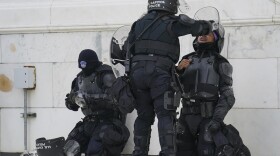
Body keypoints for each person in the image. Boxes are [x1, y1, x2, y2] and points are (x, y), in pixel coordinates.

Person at [124, 0, 213, 155]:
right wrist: (207, 25)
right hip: (159, 74)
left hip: (137, 74)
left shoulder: (138, 24)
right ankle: (168, 153)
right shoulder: (171, 22)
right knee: (165, 115)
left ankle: (139, 152)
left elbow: (126, 48)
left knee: (143, 117)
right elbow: (198, 28)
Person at [176, 24, 239, 156]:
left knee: (207, 151)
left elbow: (228, 96)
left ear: (216, 38)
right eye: (200, 33)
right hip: (185, 117)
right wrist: (178, 71)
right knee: (180, 151)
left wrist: (216, 120)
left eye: (208, 33)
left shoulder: (221, 62)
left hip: (208, 118)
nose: (203, 36)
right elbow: (171, 88)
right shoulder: (186, 59)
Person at [64, 49, 130, 156]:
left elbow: (117, 100)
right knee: (69, 149)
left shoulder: (105, 75)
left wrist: (91, 100)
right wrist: (72, 99)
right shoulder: (79, 78)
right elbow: (70, 105)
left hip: (109, 122)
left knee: (95, 150)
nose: (85, 71)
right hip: (89, 123)